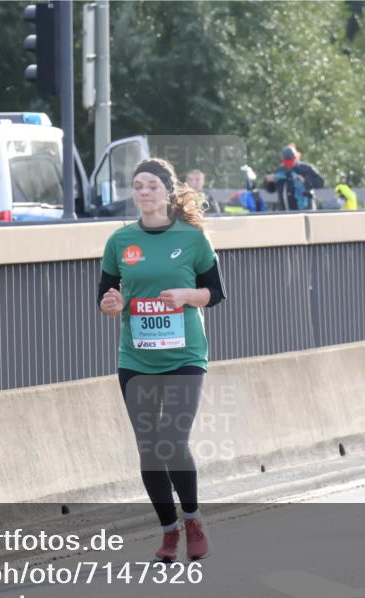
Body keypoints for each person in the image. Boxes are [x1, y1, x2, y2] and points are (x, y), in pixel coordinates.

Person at [98, 158, 227, 562]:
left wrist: (188, 296)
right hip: (136, 358)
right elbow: (107, 298)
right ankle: (169, 531)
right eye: (138, 186)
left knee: (172, 441)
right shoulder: (120, 241)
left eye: (151, 185)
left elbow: (215, 293)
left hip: (185, 355)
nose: (143, 192)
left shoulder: (192, 238)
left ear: (167, 192)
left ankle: (193, 519)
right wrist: (113, 304)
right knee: (150, 448)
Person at [264, 144, 325, 211]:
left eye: (291, 160)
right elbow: (271, 190)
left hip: (305, 209)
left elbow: (320, 183)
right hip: (285, 211)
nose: (288, 165)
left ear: (296, 157)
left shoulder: (306, 169)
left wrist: (305, 181)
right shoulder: (280, 170)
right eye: (286, 162)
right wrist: (268, 182)